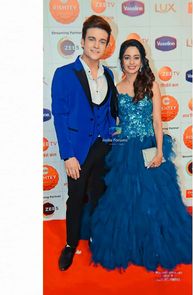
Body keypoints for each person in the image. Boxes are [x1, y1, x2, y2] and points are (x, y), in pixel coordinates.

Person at [90, 39, 192, 272]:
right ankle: (130, 243)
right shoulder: (116, 87)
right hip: (125, 150)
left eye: (136, 57)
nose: (132, 62)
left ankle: (154, 243)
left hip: (149, 147)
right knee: (126, 200)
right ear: (121, 61)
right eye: (127, 57)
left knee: (155, 199)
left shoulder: (151, 84)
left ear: (142, 60)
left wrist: (159, 151)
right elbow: (116, 122)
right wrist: (113, 141)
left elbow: (157, 120)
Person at [51, 15, 117, 271]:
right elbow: (61, 116)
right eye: (92, 39)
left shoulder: (109, 73)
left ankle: (95, 237)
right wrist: (68, 155)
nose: (96, 45)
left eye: (102, 41)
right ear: (82, 41)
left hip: (103, 146)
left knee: (99, 195)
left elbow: (109, 111)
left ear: (107, 45)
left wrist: (112, 138)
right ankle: (70, 244)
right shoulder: (64, 74)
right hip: (77, 151)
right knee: (76, 198)